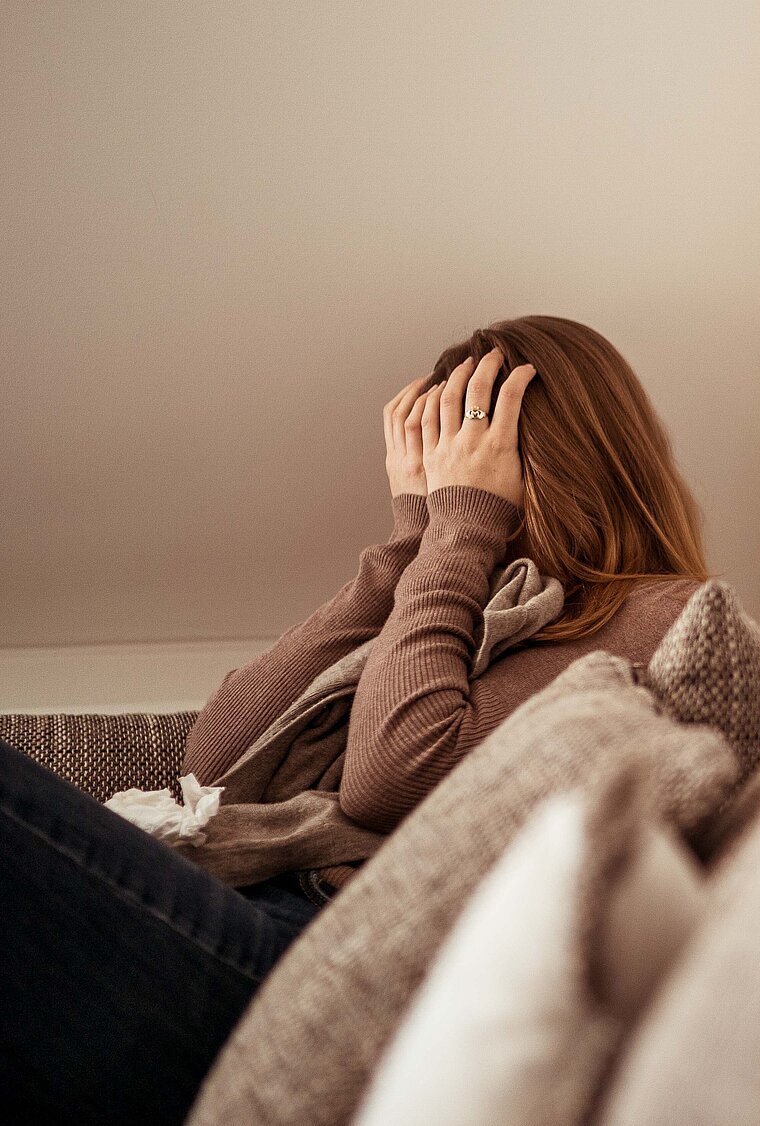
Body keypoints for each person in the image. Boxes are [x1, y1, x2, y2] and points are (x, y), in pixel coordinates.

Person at [0, 315, 714, 1124]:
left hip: (308, 972)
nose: (448, 469)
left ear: (547, 457)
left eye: (469, 441)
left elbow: (390, 777)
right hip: (252, 916)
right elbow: (216, 761)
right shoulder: (456, 599)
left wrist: (460, 526)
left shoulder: (663, 615)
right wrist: (414, 539)